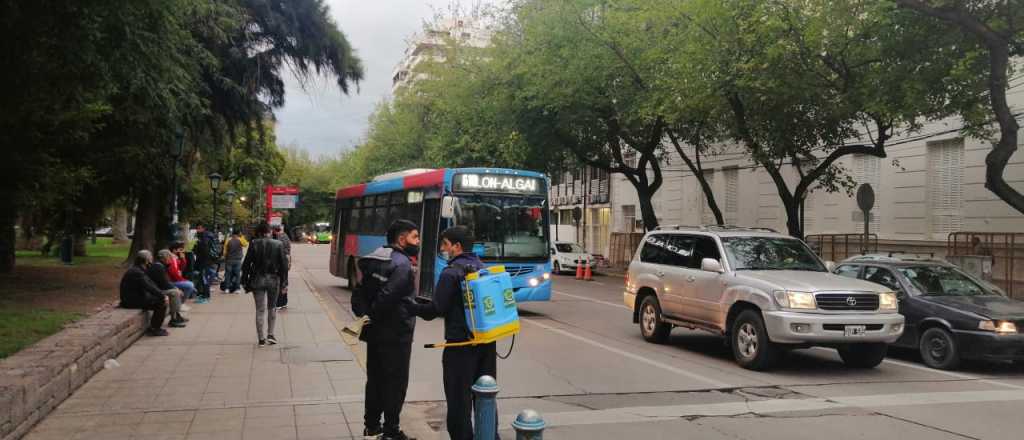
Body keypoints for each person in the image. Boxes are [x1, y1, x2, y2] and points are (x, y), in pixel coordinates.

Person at [406, 226, 497, 440]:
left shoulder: (451, 272)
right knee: (485, 396)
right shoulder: (482, 267)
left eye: (445, 244)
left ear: (457, 246)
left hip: (459, 346)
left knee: (459, 400)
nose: (443, 249)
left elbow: (435, 310)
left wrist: (409, 306)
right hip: (486, 343)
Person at [352, 220, 420, 440]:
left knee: (375, 380)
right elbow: (387, 297)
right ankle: (391, 430)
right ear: (402, 239)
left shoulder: (372, 258)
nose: (418, 242)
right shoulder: (403, 265)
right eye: (415, 237)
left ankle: (371, 427)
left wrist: (366, 317)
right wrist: (373, 314)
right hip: (396, 335)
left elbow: (358, 294)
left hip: (374, 334)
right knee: (396, 383)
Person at [241, 221, 288, 347]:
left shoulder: (254, 244)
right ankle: (271, 334)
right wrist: (284, 283)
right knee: (272, 307)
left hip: (257, 280)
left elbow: (246, 264)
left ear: (259, 232)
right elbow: (284, 266)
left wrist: (244, 281)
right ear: (269, 232)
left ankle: (261, 338)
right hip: (273, 280)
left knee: (259, 310)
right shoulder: (278, 244)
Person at [119, 250, 171, 336]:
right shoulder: (137, 272)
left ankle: (155, 327)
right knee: (161, 302)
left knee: (160, 299)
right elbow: (148, 286)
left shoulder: (138, 269)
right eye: (150, 259)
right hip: (131, 301)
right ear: (146, 261)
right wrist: (163, 296)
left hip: (135, 298)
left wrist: (162, 294)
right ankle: (155, 328)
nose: (152, 261)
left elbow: (151, 284)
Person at [149, 250, 188, 327]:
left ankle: (177, 315)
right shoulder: (158, 267)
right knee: (175, 293)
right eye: (169, 258)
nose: (170, 260)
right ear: (164, 258)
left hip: (159, 289)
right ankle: (173, 319)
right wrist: (176, 289)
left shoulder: (161, 266)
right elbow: (164, 283)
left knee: (177, 291)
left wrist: (175, 287)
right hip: (155, 291)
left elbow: (166, 282)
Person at [192, 223, 217, 303]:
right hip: (206, 261)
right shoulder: (205, 236)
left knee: (203, 278)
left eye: (199, 228)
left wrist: (196, 247)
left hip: (204, 261)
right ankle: (203, 295)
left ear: (203, 228)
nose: (197, 230)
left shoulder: (204, 237)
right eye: (197, 228)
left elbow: (204, 250)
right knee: (203, 277)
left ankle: (206, 296)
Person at [272, 225, 292, 309]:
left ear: (275, 231)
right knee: (284, 281)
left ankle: (279, 303)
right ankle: (284, 302)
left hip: (281, 262)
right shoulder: (286, 236)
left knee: (279, 282)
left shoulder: (278, 238)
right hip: (286, 260)